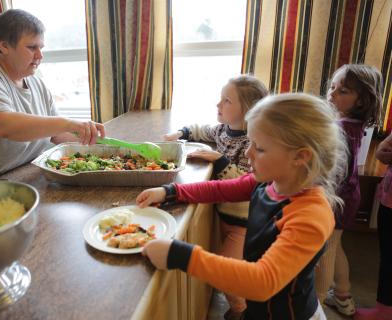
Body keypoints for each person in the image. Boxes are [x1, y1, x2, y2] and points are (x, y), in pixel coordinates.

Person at [137, 93, 348, 320]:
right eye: (250, 144)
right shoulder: (269, 180)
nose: (248, 153)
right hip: (259, 309)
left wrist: (180, 255)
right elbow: (221, 189)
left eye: (260, 148)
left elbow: (262, 281)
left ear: (301, 157)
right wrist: (171, 192)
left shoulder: (311, 215)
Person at [0, 9, 104, 189]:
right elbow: (3, 126)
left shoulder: (37, 84)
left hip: (16, 180)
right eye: (32, 47)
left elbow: (57, 134)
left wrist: (94, 140)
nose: (40, 55)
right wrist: (68, 123)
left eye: (41, 47)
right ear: (4, 46)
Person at [164, 75, 268, 318]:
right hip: (225, 215)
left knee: (228, 273)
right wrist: (181, 132)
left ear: (248, 111)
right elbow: (204, 130)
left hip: (243, 221)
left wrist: (219, 161)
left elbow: (247, 180)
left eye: (226, 101)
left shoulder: (251, 141)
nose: (218, 105)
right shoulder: (224, 130)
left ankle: (241, 312)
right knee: (233, 266)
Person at [314, 64, 383, 316]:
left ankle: (317, 302)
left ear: (362, 100)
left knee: (325, 250)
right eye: (332, 87)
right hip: (347, 195)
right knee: (336, 245)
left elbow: (336, 172)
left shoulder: (341, 127)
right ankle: (343, 295)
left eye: (342, 91)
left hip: (337, 197)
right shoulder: (351, 123)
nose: (332, 94)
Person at [354, 132, 392, 320]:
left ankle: (385, 309)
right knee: (387, 255)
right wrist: (383, 151)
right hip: (389, 200)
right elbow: (382, 149)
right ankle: (384, 307)